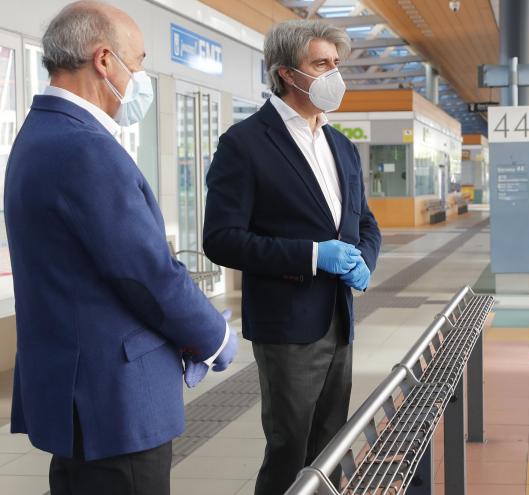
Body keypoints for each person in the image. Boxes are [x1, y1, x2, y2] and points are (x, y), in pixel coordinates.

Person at [4, 2, 237, 494]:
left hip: (77, 398)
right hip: (114, 403)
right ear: (104, 59)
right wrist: (215, 336)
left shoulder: (38, 136)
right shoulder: (84, 147)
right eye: (139, 61)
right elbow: (146, 272)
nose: (141, 76)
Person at [202, 19, 381, 495]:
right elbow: (220, 239)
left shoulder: (340, 145)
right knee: (288, 449)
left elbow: (365, 222)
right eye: (321, 64)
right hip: (286, 327)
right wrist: (311, 255)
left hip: (338, 319)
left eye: (336, 64)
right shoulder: (244, 145)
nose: (334, 75)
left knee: (332, 445)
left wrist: (363, 258)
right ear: (286, 74)